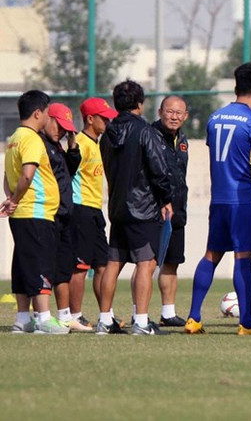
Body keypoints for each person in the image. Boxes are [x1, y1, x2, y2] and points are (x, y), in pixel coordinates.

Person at [184, 63, 251, 336]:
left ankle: (193, 317)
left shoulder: (214, 118)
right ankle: (245, 322)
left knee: (211, 254)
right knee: (243, 258)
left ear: (235, 88)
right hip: (243, 198)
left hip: (218, 198)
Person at [97, 80, 174, 336]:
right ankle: (141, 321)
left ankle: (104, 320)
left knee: (113, 262)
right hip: (142, 208)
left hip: (118, 207)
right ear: (140, 104)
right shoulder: (145, 131)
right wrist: (166, 198)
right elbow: (158, 169)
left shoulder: (106, 134)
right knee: (146, 262)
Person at [2, 90, 70, 334]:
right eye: (48, 113)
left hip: (22, 214)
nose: (49, 118)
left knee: (23, 264)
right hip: (36, 212)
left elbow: (6, 176)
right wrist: (17, 199)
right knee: (41, 263)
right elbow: (27, 174)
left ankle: (22, 319)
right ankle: (43, 318)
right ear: (38, 113)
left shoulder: (14, 137)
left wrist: (10, 199)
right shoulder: (32, 138)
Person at [68, 97, 118, 330]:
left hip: (95, 209)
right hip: (80, 210)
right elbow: (67, 176)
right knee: (80, 266)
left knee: (103, 265)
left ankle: (106, 315)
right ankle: (75, 315)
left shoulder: (98, 143)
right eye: (104, 118)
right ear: (90, 119)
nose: (108, 121)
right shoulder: (79, 143)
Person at [42, 103, 83, 331]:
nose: (61, 131)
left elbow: (69, 170)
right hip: (50, 214)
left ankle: (65, 315)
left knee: (64, 268)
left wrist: (72, 145)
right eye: (59, 125)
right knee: (49, 267)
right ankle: (41, 316)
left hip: (67, 214)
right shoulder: (40, 144)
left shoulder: (57, 146)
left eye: (66, 128)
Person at [152, 95, 190, 327]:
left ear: (185, 116)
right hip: (154, 211)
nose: (174, 117)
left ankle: (168, 312)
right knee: (146, 264)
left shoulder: (182, 140)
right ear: (160, 112)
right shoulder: (150, 136)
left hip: (177, 210)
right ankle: (140, 312)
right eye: (170, 111)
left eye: (179, 113)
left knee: (171, 262)